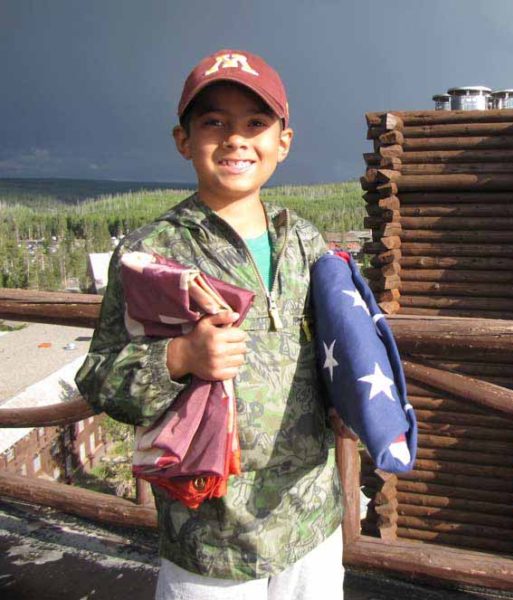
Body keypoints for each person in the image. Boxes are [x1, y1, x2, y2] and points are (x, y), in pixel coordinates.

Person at [75, 49, 346, 599]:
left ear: (283, 143)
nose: (235, 139)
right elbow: (98, 376)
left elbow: (337, 350)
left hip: (310, 517)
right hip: (209, 536)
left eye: (255, 123)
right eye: (214, 122)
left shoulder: (306, 242)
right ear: (184, 140)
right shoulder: (152, 251)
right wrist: (177, 358)